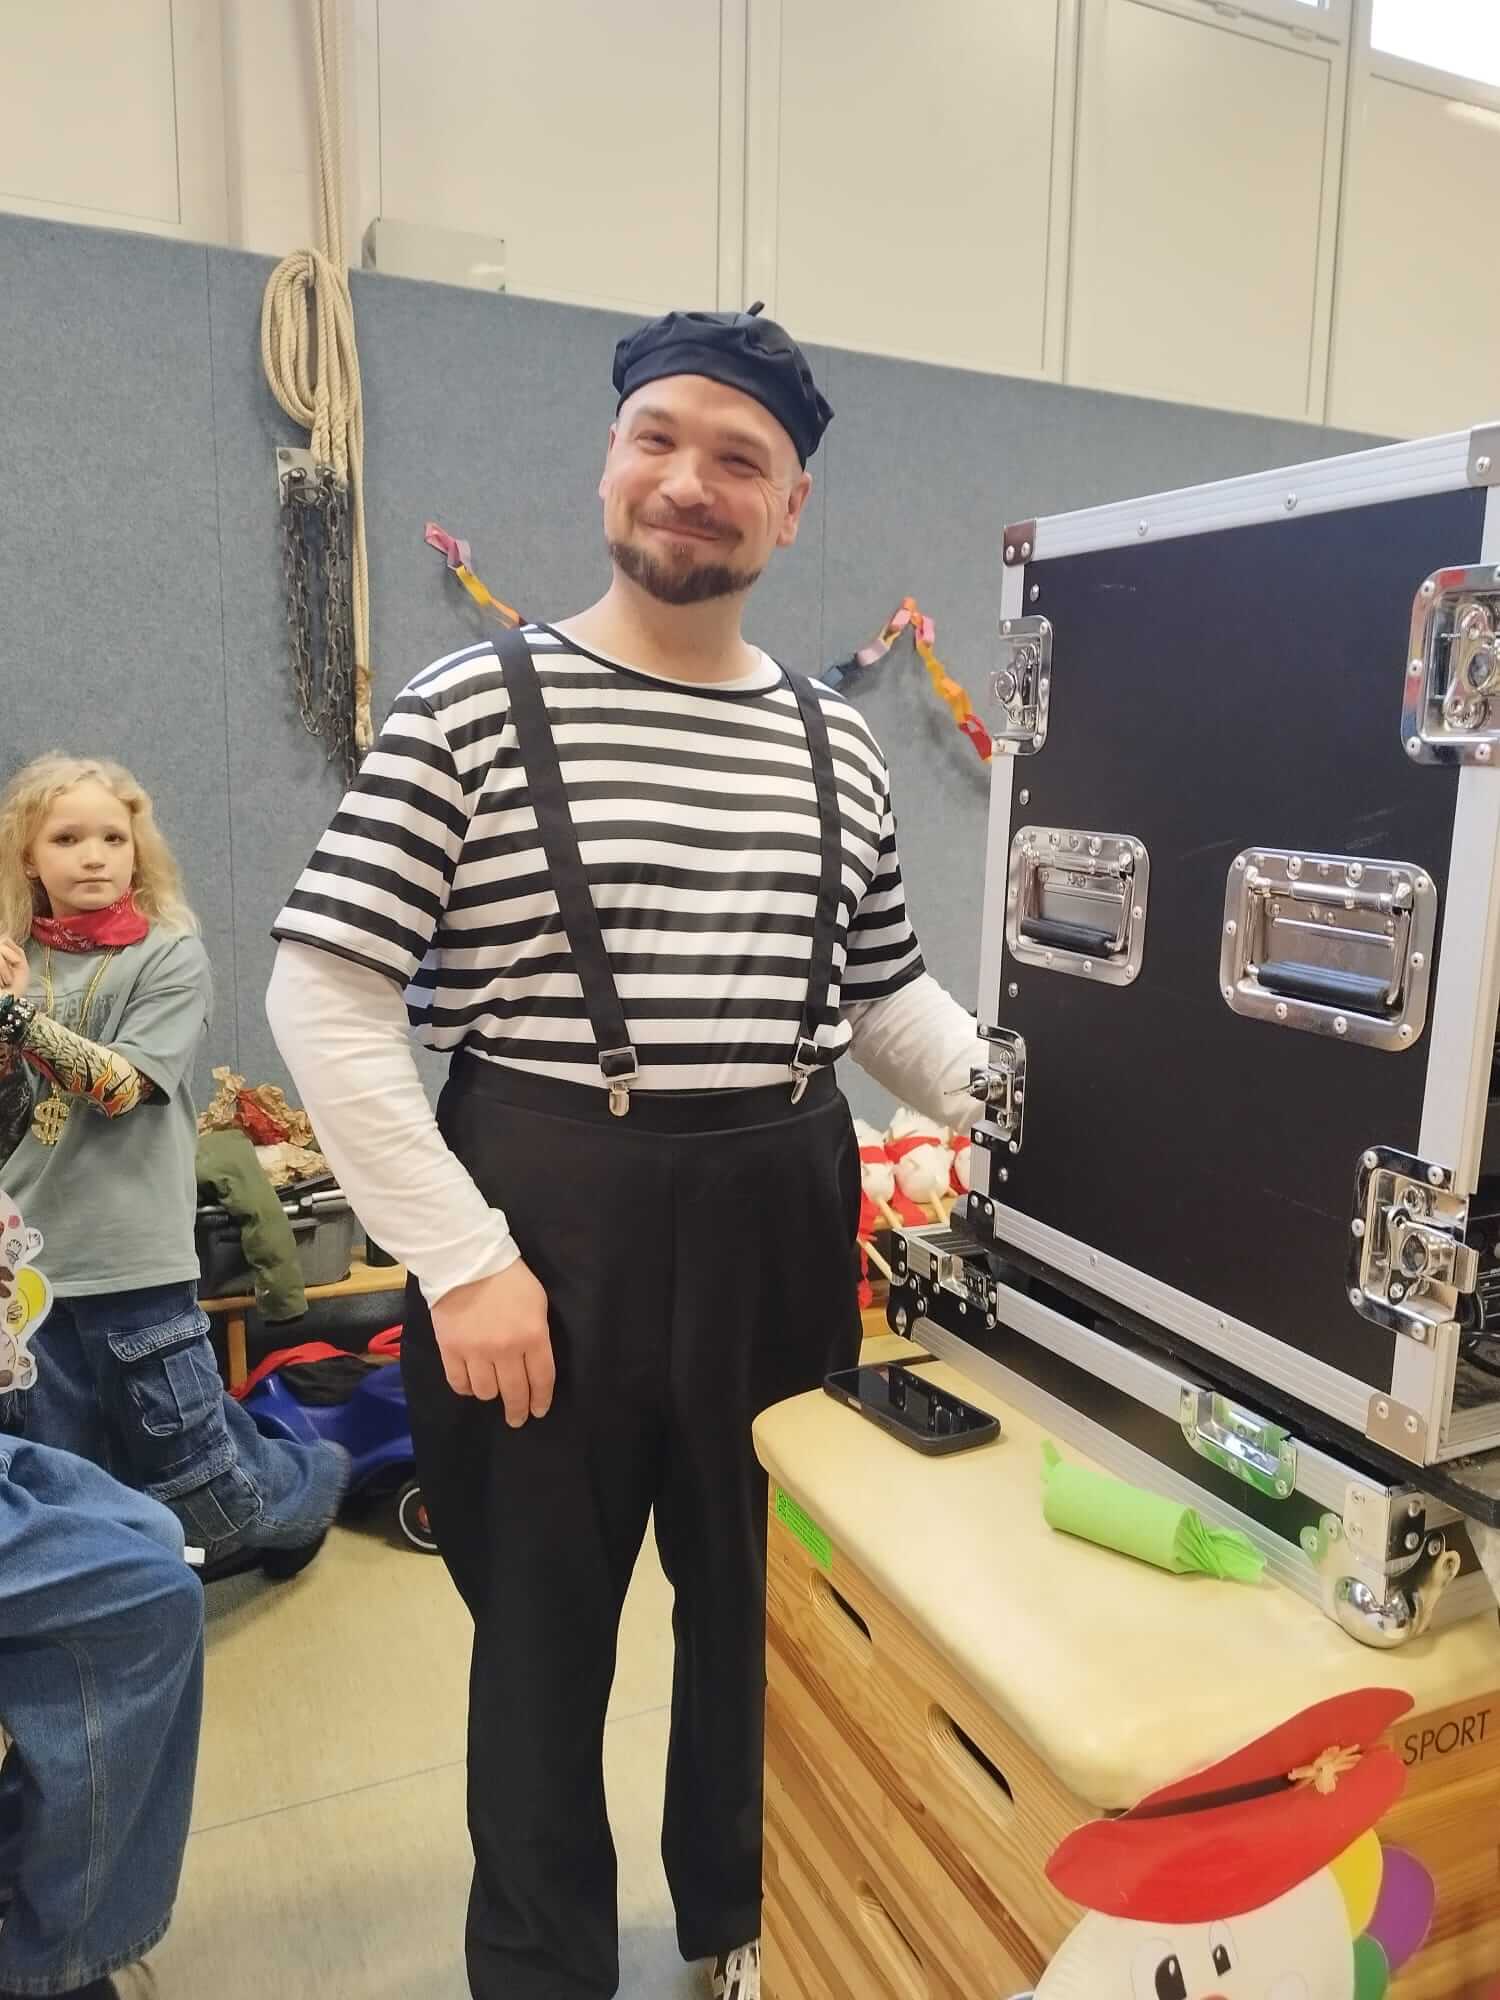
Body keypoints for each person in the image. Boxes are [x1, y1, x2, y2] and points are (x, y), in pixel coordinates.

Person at [266, 303, 982, 2000]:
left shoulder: (836, 740)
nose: (690, 481)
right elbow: (326, 992)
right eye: (659, 438)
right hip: (541, 1226)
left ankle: (740, 1928)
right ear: (609, 460)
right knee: (539, 1647)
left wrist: (1029, 1111)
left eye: (740, 458)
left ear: (790, 504)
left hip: (780, 1214)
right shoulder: (467, 706)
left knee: (761, 1616)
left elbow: (884, 998)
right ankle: (540, 1972)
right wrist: (462, 1263)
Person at [0, 755, 347, 1574]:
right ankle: (135, 1581)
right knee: (68, 1468)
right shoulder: (16, 960)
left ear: (137, 850)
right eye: (67, 838)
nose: (94, 856)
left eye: (113, 838)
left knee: (195, 1463)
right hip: (27, 1260)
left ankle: (311, 1492)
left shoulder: (169, 955)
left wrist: (14, 1018)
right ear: (30, 859)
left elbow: (122, 1088)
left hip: (131, 1249)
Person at [0, 1251, 204, 2000]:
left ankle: (20, 1858)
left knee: (152, 1530)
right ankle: (51, 1966)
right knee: (151, 1604)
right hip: (119, 1273)